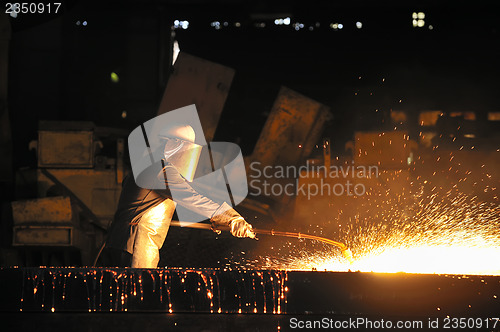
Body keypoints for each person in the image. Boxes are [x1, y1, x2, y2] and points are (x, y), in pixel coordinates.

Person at [104, 124, 255, 268]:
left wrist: (217, 219)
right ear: (175, 145)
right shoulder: (160, 169)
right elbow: (190, 197)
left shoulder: (149, 164)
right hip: (135, 243)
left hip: (124, 242)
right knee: (136, 290)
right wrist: (230, 217)